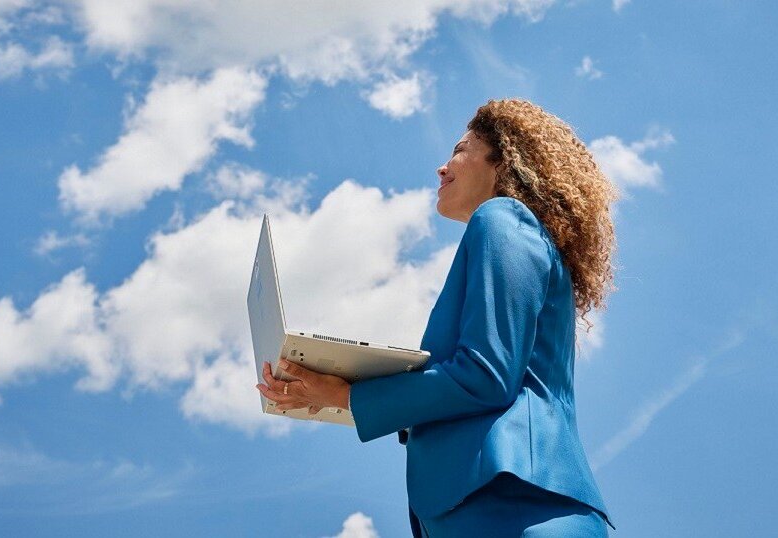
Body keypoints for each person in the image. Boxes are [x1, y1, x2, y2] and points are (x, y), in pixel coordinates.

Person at [256, 98, 620, 537]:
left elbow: (484, 376)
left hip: (515, 508)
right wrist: (337, 392)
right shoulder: (514, 235)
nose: (441, 168)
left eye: (460, 149)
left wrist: (349, 395)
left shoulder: (502, 216)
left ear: (502, 159)